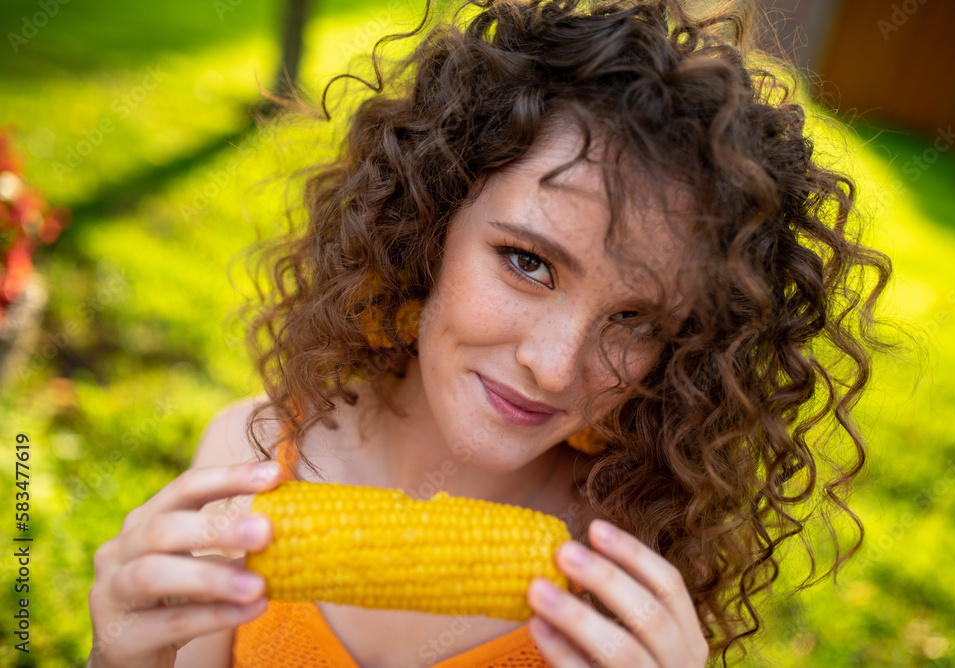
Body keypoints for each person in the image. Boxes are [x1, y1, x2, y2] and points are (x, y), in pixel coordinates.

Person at [86, 0, 895, 666]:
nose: (552, 366)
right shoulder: (245, 462)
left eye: (636, 320)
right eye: (528, 263)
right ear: (430, 221)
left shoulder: (624, 575)